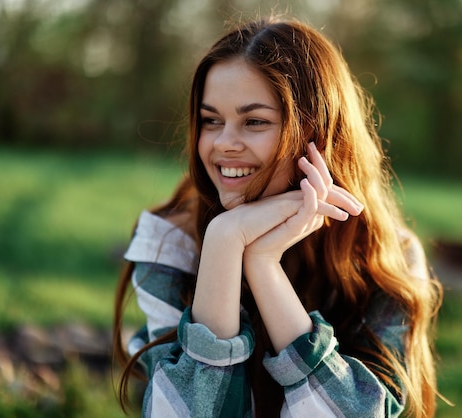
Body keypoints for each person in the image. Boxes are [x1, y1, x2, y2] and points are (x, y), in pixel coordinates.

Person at [113, 16, 441, 418]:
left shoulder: (386, 256)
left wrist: (263, 264)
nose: (223, 144)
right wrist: (223, 243)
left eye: (254, 122)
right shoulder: (170, 240)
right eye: (211, 120)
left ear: (316, 133)